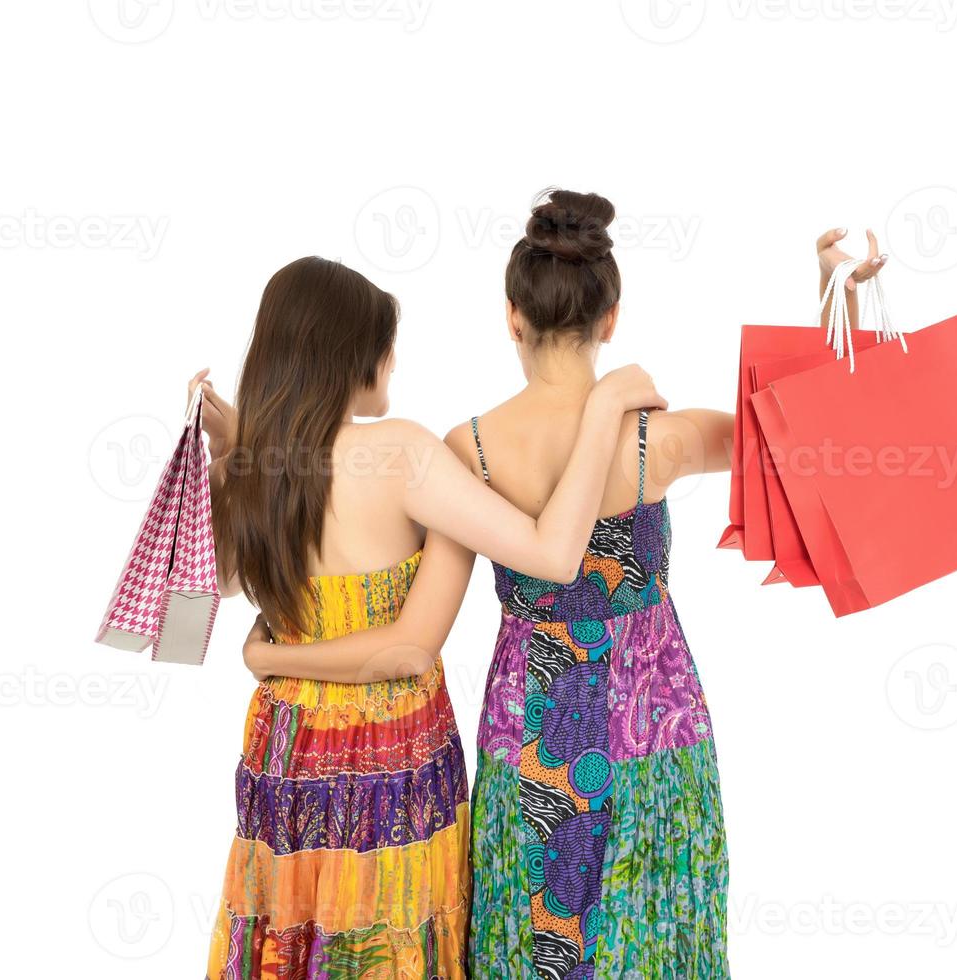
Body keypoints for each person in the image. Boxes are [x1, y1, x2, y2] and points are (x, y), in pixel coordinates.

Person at [241, 191, 888, 978]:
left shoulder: (465, 448)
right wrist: (835, 302)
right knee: (649, 921)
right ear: (610, 319)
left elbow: (378, 543)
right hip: (651, 717)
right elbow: (802, 433)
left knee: (527, 930)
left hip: (528, 728)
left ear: (511, 317)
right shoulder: (662, 438)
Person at [194, 254, 665, 979]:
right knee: (393, 940)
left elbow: (220, 583)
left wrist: (229, 456)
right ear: (352, 354)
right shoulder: (404, 454)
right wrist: (602, 410)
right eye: (384, 343)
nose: (391, 360)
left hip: (282, 751)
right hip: (393, 757)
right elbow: (534, 565)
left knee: (290, 931)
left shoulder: (254, 468)